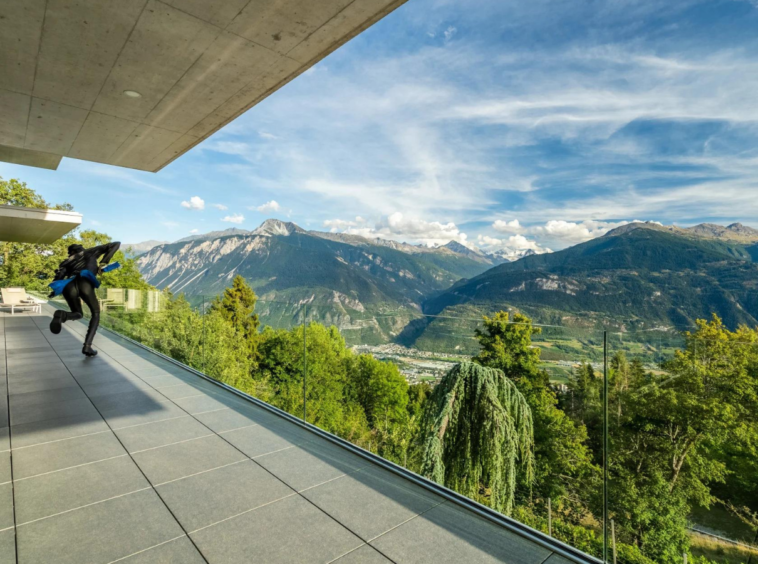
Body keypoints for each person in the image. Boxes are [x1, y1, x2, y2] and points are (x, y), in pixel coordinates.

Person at [49, 241, 121, 356]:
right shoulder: (91, 251)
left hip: (68, 285)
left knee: (77, 313)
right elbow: (116, 244)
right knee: (96, 313)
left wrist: (53, 292)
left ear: (70, 253)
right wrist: (103, 262)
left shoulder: (66, 262)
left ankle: (62, 315)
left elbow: (58, 278)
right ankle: (87, 346)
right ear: (81, 248)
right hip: (84, 282)